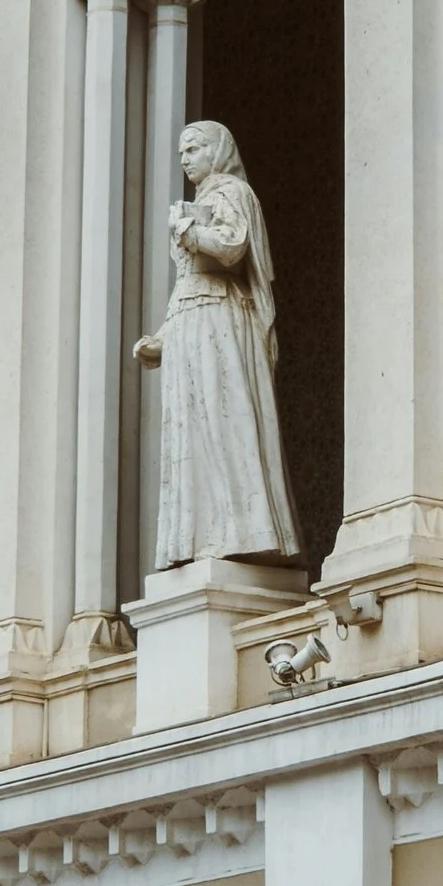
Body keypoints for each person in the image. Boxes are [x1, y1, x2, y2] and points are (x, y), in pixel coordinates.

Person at [133, 119, 302, 567]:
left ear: (218, 150)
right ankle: (204, 535)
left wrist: (187, 229)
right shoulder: (201, 200)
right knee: (194, 429)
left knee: (221, 421)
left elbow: (231, 248)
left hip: (219, 321)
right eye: (181, 152)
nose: (184, 158)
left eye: (193, 149)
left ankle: (241, 530)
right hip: (192, 323)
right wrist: (162, 339)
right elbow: (187, 283)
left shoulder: (229, 192)